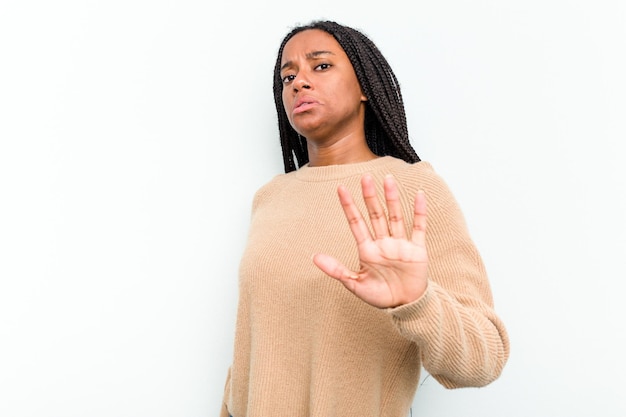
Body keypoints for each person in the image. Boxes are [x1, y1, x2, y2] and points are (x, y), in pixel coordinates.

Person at [220, 20, 509, 417]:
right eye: (288, 76)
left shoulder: (412, 189)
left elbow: (484, 358)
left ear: (364, 88)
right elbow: (249, 357)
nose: (299, 82)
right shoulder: (270, 198)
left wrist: (418, 301)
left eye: (320, 66)